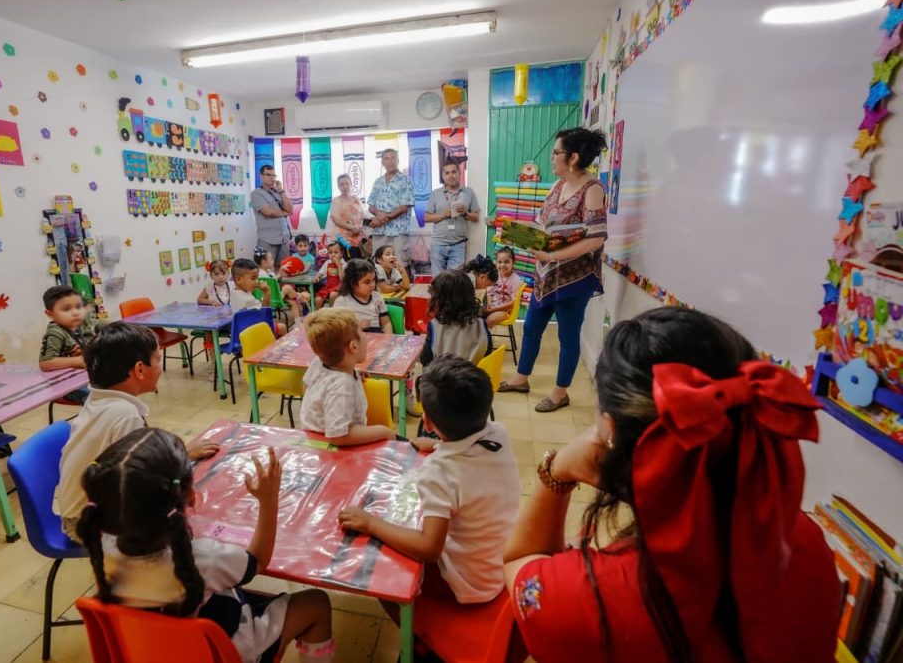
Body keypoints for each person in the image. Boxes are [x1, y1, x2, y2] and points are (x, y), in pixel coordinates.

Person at [503, 308, 841, 663]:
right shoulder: (805, 541)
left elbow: (518, 560)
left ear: (610, 432)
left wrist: (558, 468)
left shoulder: (584, 599)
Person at [77, 429, 335, 663]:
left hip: (148, 651)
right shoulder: (205, 559)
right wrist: (269, 501)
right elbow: (259, 560)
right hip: (223, 652)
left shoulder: (104, 548)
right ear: (190, 496)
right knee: (317, 602)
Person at [339, 356, 520, 609]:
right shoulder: (498, 432)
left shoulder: (439, 472)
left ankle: (418, 645)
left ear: (427, 422)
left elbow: (429, 549)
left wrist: (371, 523)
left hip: (472, 586)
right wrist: (439, 446)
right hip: (502, 563)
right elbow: (467, 453)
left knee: (381, 576)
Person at [55, 322, 219, 541]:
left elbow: (139, 460)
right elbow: (139, 487)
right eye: (158, 360)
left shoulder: (100, 399)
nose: (160, 367)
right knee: (195, 520)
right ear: (140, 370)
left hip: (78, 510)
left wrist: (183, 455)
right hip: (86, 523)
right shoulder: (124, 415)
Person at [500, 128, 609, 413]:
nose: (552, 158)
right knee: (533, 327)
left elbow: (596, 238)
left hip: (575, 278)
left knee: (567, 336)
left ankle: (560, 393)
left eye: (556, 152)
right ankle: (521, 378)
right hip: (545, 274)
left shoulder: (592, 189)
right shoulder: (558, 186)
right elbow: (541, 222)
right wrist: (518, 235)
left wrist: (552, 254)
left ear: (573, 157)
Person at [300, 309, 395, 445]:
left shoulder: (319, 361)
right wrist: (384, 431)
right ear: (354, 346)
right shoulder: (342, 384)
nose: (365, 336)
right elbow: (338, 436)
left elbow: (306, 388)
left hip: (314, 442)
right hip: (337, 450)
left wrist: (352, 370)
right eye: (362, 332)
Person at [419, 271, 490, 367]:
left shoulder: (435, 326)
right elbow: (488, 350)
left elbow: (425, 360)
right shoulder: (481, 323)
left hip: (443, 379)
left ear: (440, 301)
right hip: (473, 378)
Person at [426, 159, 481, 275]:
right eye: (447, 173)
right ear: (443, 176)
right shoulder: (435, 193)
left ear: (459, 173)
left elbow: (476, 217)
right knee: (438, 281)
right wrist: (443, 215)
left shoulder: (468, 192)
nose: (451, 176)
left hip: (458, 245)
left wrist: (466, 213)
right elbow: (426, 217)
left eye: (453, 172)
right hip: (438, 244)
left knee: (454, 282)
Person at [38, 285, 104, 373]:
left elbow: (104, 325)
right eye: (66, 309)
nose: (75, 312)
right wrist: (81, 361)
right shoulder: (56, 332)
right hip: (69, 380)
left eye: (78, 307)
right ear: (50, 314)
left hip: (89, 372)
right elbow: (45, 363)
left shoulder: (83, 321)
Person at [367, 149, 414, 270]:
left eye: (393, 158)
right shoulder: (378, 182)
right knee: (378, 266)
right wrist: (378, 214)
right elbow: (371, 206)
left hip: (398, 232)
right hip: (379, 232)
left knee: (398, 265)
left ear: (398, 160)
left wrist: (383, 219)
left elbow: (404, 207)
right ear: (382, 162)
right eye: (386, 158)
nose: (390, 161)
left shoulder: (406, 180)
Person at [333, 259, 391, 334]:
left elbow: (386, 323)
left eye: (373, 280)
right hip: (354, 339)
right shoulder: (342, 301)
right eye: (367, 282)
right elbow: (337, 328)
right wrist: (358, 327)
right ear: (352, 283)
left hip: (376, 339)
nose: (372, 285)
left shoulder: (377, 297)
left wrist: (388, 340)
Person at [231, 258, 287, 336]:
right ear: (238, 279)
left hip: (241, 333)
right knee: (282, 327)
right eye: (253, 278)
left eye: (257, 278)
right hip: (255, 333)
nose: (257, 281)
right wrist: (267, 293)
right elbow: (265, 315)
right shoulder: (247, 299)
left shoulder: (233, 292)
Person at [250, 165, 293, 265]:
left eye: (274, 175)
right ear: (261, 176)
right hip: (267, 239)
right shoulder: (256, 193)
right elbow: (268, 212)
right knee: (265, 270)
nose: (272, 178)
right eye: (268, 175)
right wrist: (285, 213)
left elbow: (290, 209)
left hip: (284, 238)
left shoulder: (278, 192)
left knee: (285, 268)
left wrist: (281, 191)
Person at [255, 248, 309, 321]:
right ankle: (300, 296)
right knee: (287, 287)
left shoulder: (267, 271)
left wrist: (281, 270)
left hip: (274, 296)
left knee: (293, 302)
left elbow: (276, 280)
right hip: (270, 299)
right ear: (264, 262)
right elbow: (274, 281)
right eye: (271, 259)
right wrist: (280, 271)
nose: (273, 261)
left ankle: (298, 322)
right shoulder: (261, 275)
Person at [484, 247, 524, 328]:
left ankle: (484, 339)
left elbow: (513, 303)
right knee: (474, 314)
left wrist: (494, 309)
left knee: (490, 319)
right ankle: (476, 338)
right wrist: (489, 303)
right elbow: (490, 292)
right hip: (492, 307)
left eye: (506, 262)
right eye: (499, 262)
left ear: (513, 262)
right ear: (496, 263)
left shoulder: (516, 280)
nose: (502, 265)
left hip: (505, 311)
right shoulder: (494, 275)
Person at [328, 174, 365, 258]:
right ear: (338, 186)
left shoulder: (357, 200)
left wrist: (358, 228)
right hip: (341, 238)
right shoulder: (336, 200)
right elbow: (336, 219)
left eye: (347, 183)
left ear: (351, 184)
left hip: (356, 237)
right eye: (342, 184)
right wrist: (351, 227)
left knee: (356, 265)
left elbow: (363, 218)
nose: (345, 186)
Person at [314, 240, 345, 308]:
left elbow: (343, 279)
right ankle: (319, 316)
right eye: (330, 253)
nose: (333, 255)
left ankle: (331, 312)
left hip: (339, 287)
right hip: (328, 286)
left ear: (341, 253)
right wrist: (317, 277)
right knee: (317, 300)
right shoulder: (327, 262)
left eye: (336, 252)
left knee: (333, 295)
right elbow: (320, 272)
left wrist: (339, 265)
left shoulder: (343, 263)